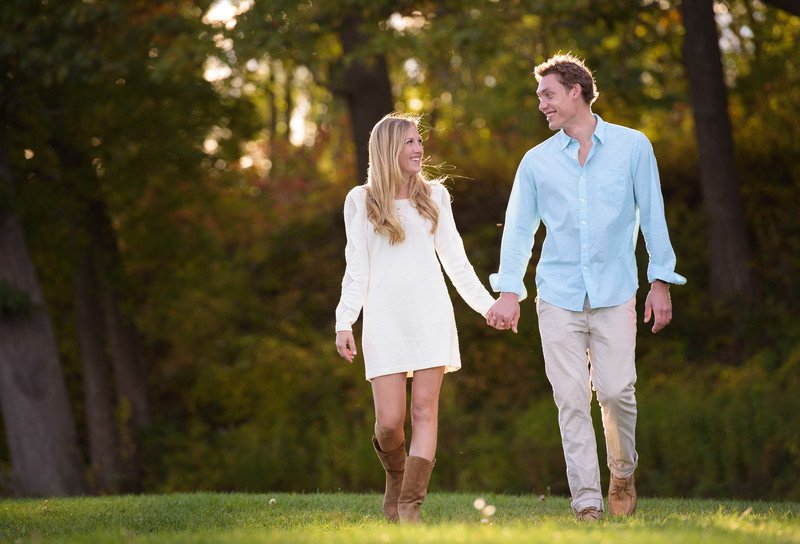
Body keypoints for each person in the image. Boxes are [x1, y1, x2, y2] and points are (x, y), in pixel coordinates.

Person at [486, 54, 686, 522]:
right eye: (540, 96)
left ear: (576, 90)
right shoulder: (536, 163)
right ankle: (588, 504)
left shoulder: (633, 147)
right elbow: (518, 232)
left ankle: (622, 471)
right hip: (557, 295)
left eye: (547, 94)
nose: (542, 104)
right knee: (570, 397)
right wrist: (510, 290)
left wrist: (661, 281)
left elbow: (653, 216)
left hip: (616, 291)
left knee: (617, 391)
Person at [334, 112, 495, 523]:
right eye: (409, 142)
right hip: (384, 321)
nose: (419, 148)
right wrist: (344, 321)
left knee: (424, 409)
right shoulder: (360, 199)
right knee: (390, 423)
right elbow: (356, 269)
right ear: (387, 149)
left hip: (430, 317)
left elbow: (456, 262)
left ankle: (409, 508)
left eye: (419, 140)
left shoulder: (435, 196)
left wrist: (486, 305)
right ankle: (395, 479)